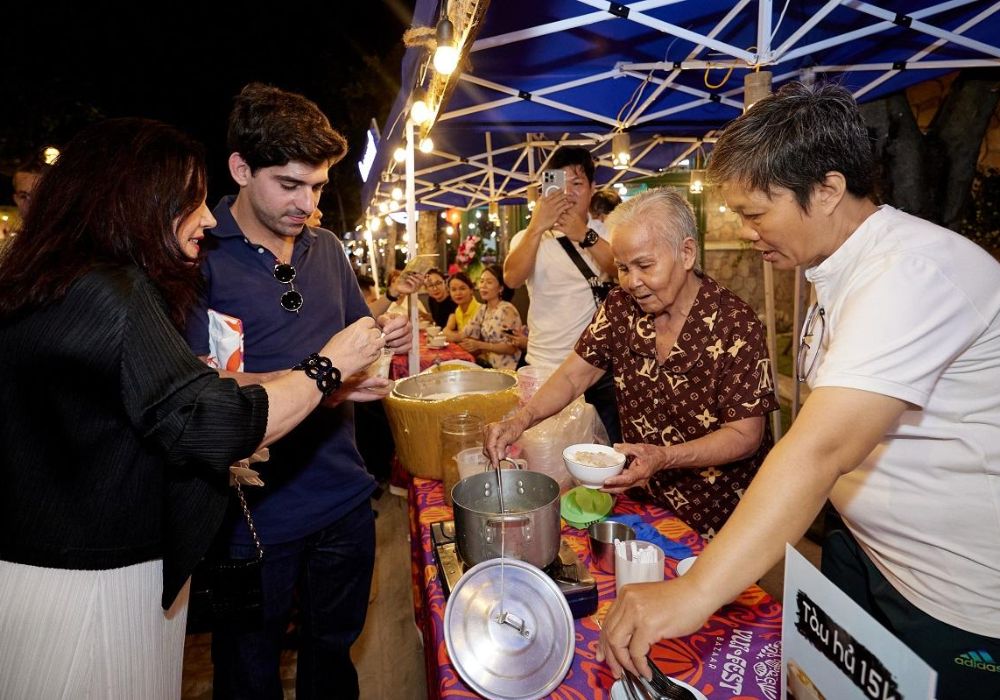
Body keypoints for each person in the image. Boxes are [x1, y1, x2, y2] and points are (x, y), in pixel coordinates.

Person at [596, 82, 1000, 700]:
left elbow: (817, 450)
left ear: (829, 190)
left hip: (952, 594)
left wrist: (696, 589)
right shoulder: (837, 267)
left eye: (757, 213)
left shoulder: (911, 274)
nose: (747, 232)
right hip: (865, 554)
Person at [0, 118, 385, 699]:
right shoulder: (115, 295)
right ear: (134, 202)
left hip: (62, 564)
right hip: (93, 577)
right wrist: (324, 368)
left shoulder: (49, 283)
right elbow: (207, 417)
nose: (205, 217)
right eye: (190, 200)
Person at [184, 83, 411, 700]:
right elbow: (197, 389)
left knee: (332, 660)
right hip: (252, 515)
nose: (307, 204)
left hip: (342, 498)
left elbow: (352, 346)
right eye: (290, 184)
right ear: (240, 169)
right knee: (248, 672)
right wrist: (322, 377)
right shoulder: (200, 257)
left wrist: (371, 353)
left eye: (317, 187)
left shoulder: (327, 248)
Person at [486, 187, 776, 537]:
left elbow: (745, 435)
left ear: (686, 253)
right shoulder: (620, 307)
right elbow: (573, 377)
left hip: (720, 512)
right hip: (644, 501)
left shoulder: (735, 324)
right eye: (622, 267)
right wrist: (521, 420)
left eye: (644, 265)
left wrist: (664, 457)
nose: (632, 282)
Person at [504, 146, 622, 443]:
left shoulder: (607, 233)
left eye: (577, 184)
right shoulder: (528, 237)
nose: (567, 193)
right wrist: (536, 226)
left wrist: (583, 235)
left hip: (598, 372)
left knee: (607, 456)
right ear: (545, 188)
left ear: (593, 188)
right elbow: (512, 277)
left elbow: (622, 270)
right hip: (543, 368)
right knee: (544, 452)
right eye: (559, 183)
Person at [459, 264, 524, 370]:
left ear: (501, 288)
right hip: (490, 367)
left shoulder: (507, 310)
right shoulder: (483, 309)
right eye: (481, 281)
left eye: (489, 282)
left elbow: (512, 348)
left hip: (508, 369)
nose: (483, 286)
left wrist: (481, 345)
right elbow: (465, 334)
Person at [442, 270, 480, 340]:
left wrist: (450, 334)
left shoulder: (480, 310)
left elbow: (470, 340)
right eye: (453, 290)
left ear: (471, 290)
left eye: (462, 288)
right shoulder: (458, 311)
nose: (458, 293)